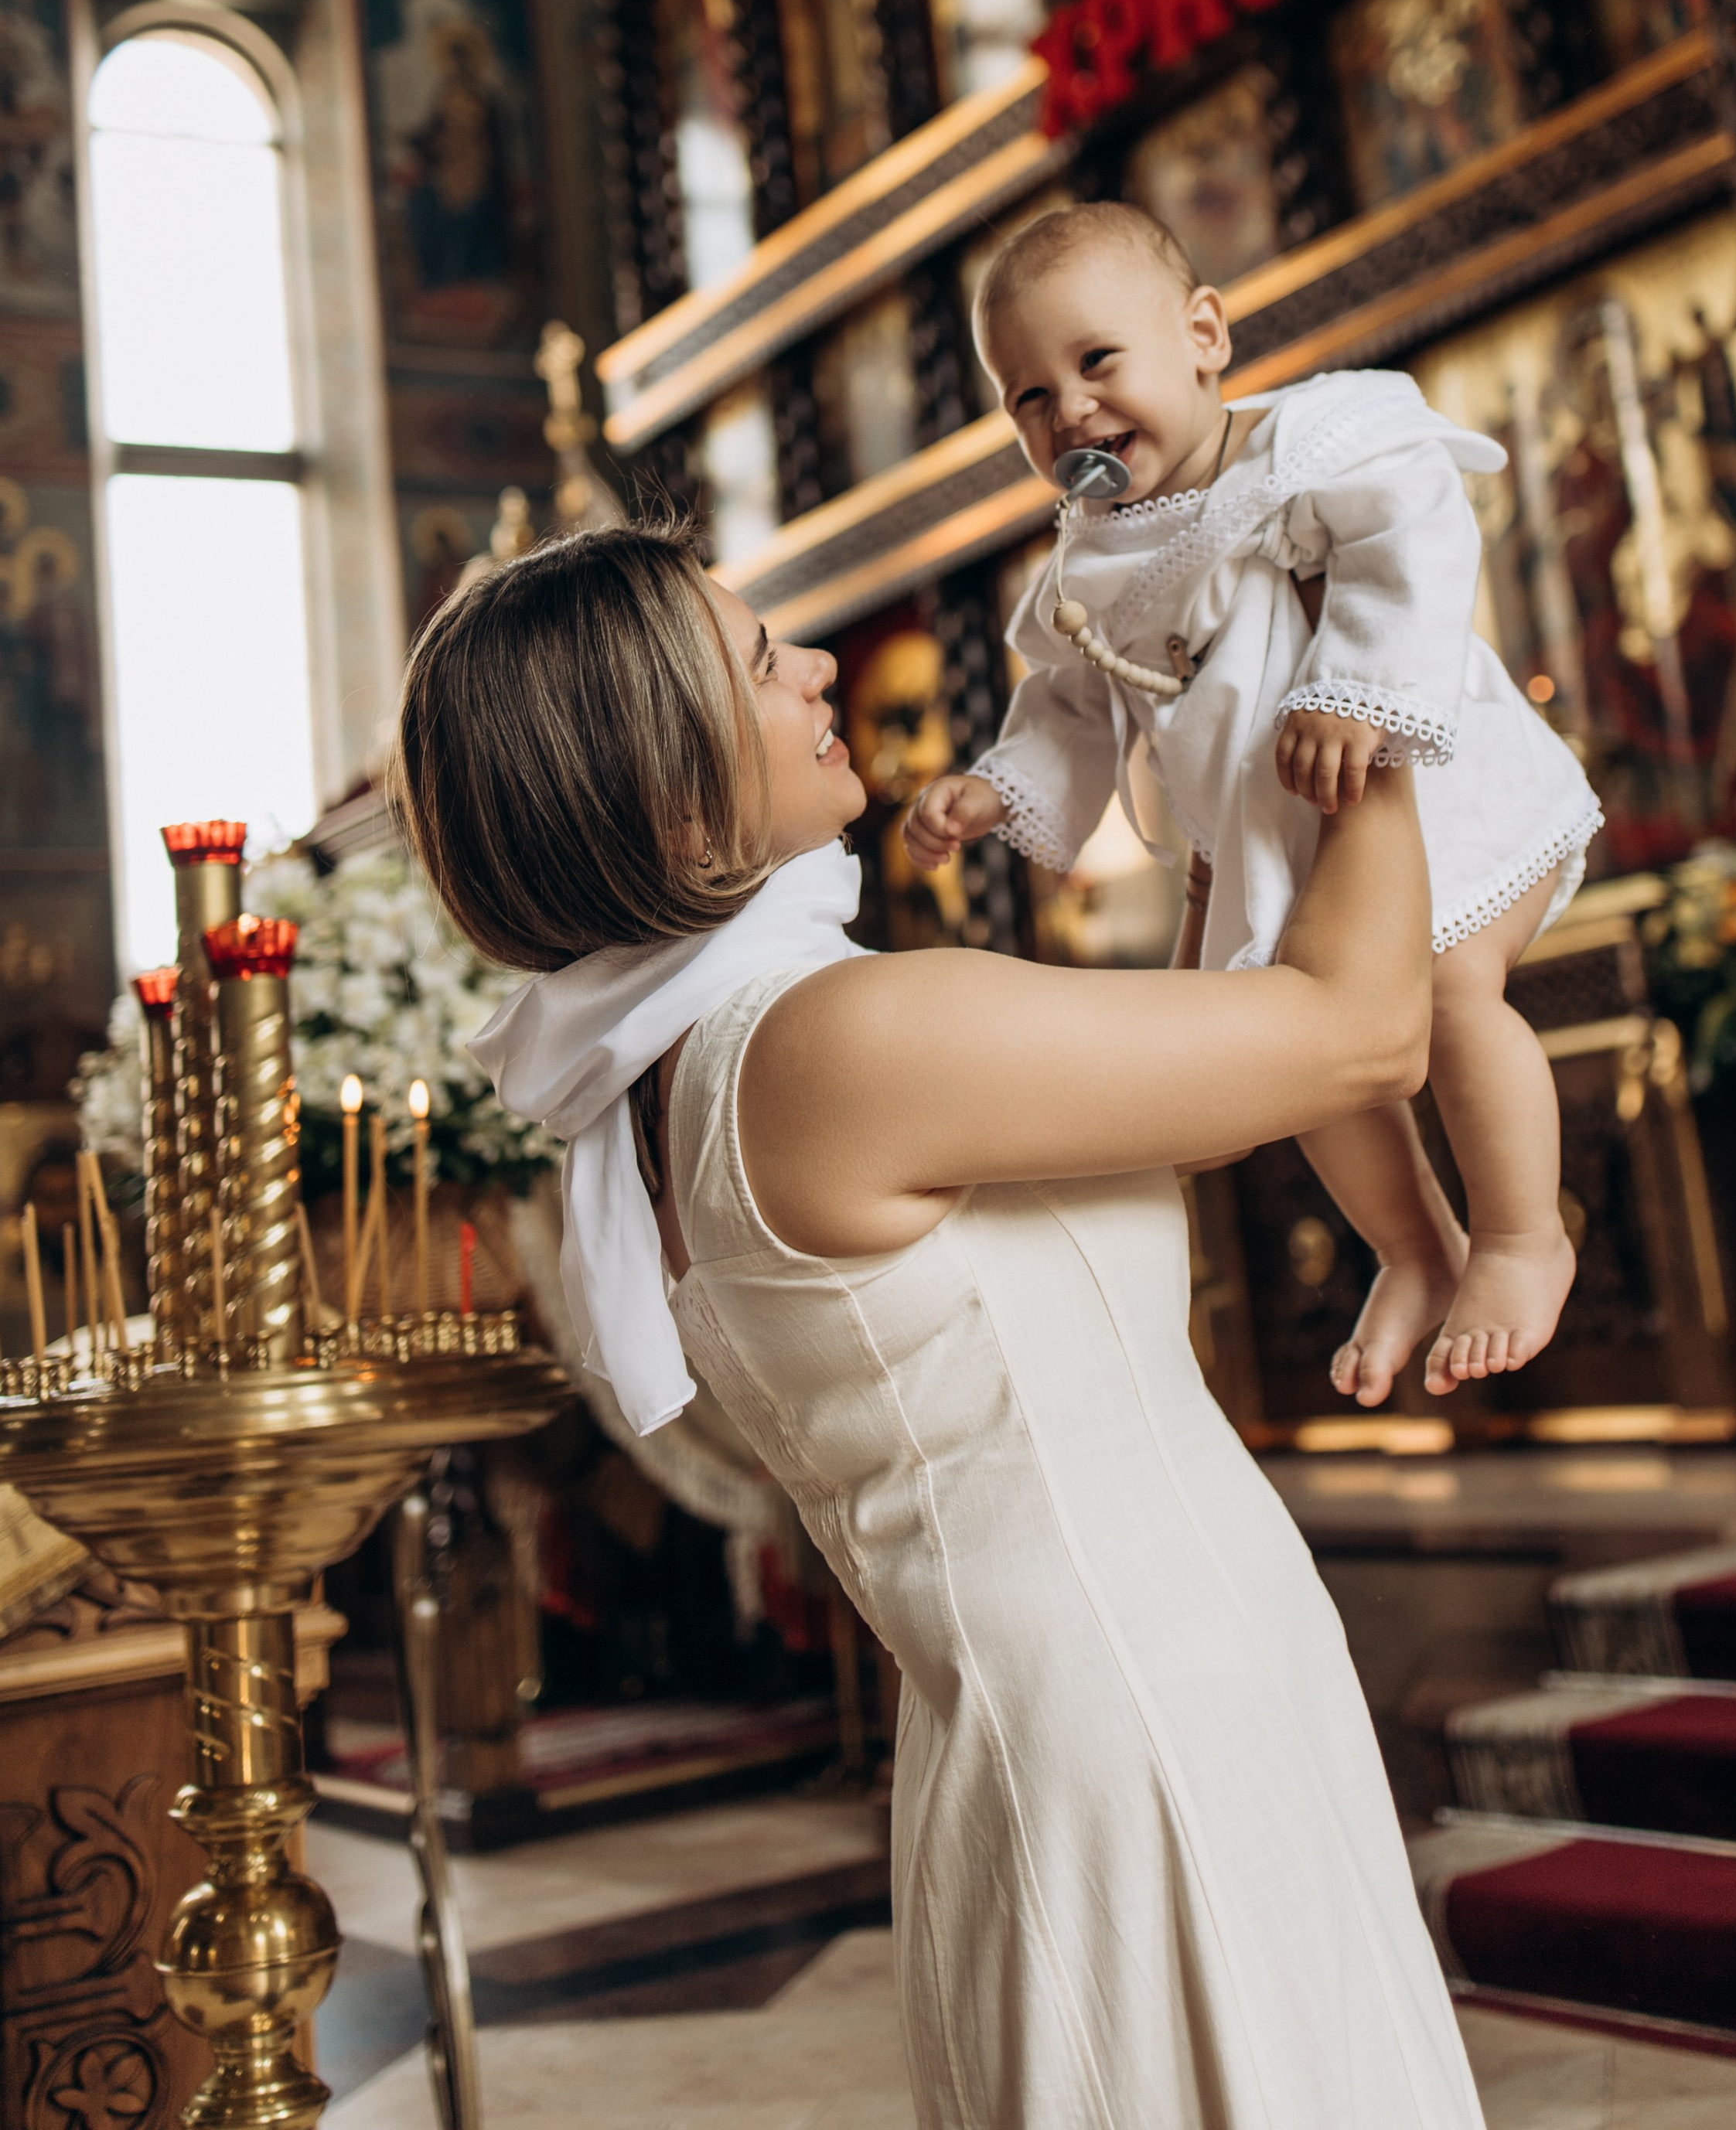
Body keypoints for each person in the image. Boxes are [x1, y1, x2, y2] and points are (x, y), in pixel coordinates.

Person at [392, 516, 1485, 2128]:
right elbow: (1361, 1037)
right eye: (761, 660)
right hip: (1144, 1717)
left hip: (1101, 1703)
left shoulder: (704, 1064)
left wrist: (1227, 823)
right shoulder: (831, 1038)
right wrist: (1371, 680)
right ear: (672, 790)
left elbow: (1189, 1104)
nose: (820, 664)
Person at [907, 204, 1601, 1400]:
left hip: (1434, 790)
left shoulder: (1305, 452)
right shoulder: (1086, 563)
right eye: (1027, 396)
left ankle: (1522, 1237)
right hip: (1279, 851)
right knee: (1297, 1056)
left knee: (1448, 989)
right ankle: (1415, 1251)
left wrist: (1357, 687)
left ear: (1204, 335)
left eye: (1096, 364)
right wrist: (994, 787)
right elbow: (1072, 704)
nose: (1067, 410)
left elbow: (1414, 539)